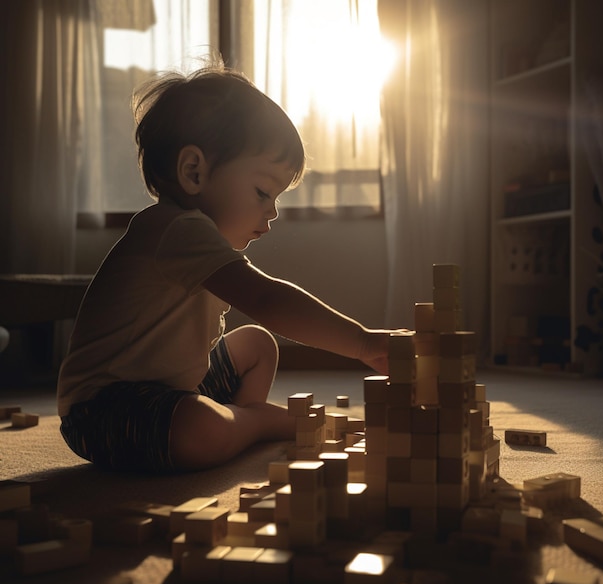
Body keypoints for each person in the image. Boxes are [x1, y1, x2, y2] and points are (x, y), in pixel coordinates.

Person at [57, 63, 396, 474]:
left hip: (172, 389)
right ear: (194, 171)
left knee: (256, 344)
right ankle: (254, 423)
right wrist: (363, 343)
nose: (272, 212)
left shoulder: (199, 240)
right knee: (202, 431)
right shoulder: (176, 229)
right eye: (262, 192)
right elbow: (267, 299)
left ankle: (239, 416)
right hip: (104, 411)